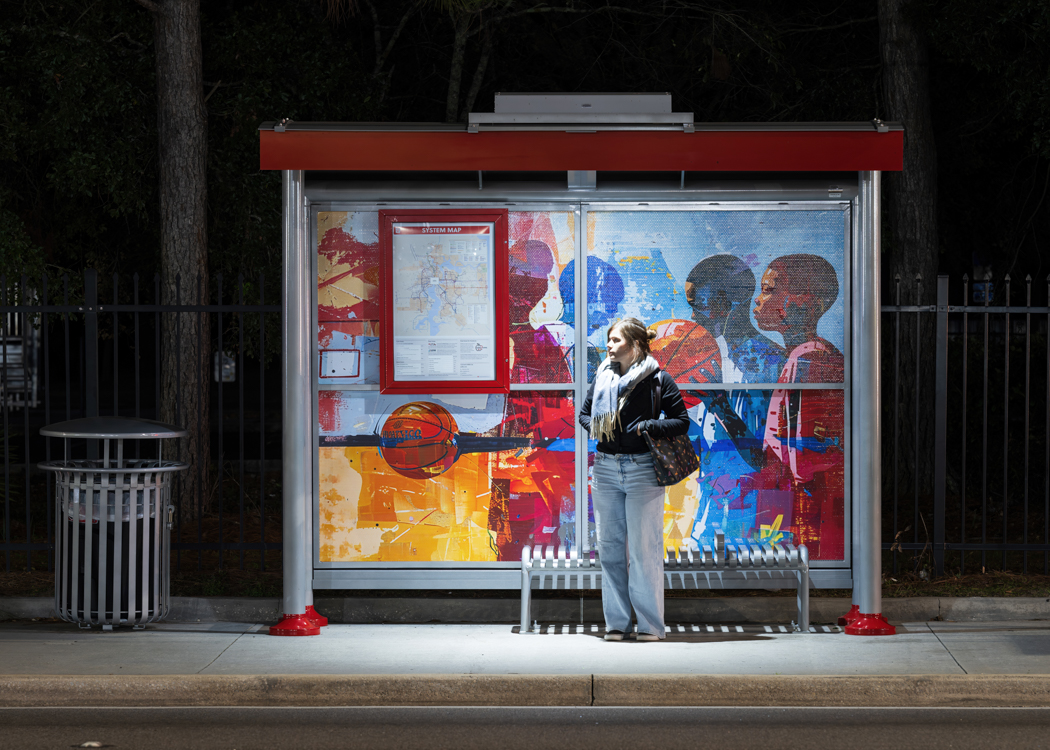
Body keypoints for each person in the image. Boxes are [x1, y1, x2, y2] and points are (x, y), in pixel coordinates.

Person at [578, 317, 690, 641]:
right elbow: (584, 413)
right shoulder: (602, 377)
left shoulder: (658, 379)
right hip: (605, 469)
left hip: (642, 469)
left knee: (645, 550)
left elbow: (681, 421)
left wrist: (649, 426)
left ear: (635, 344)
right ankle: (617, 624)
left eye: (615, 340)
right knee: (610, 549)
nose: (609, 346)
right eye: (608, 340)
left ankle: (650, 626)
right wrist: (598, 427)